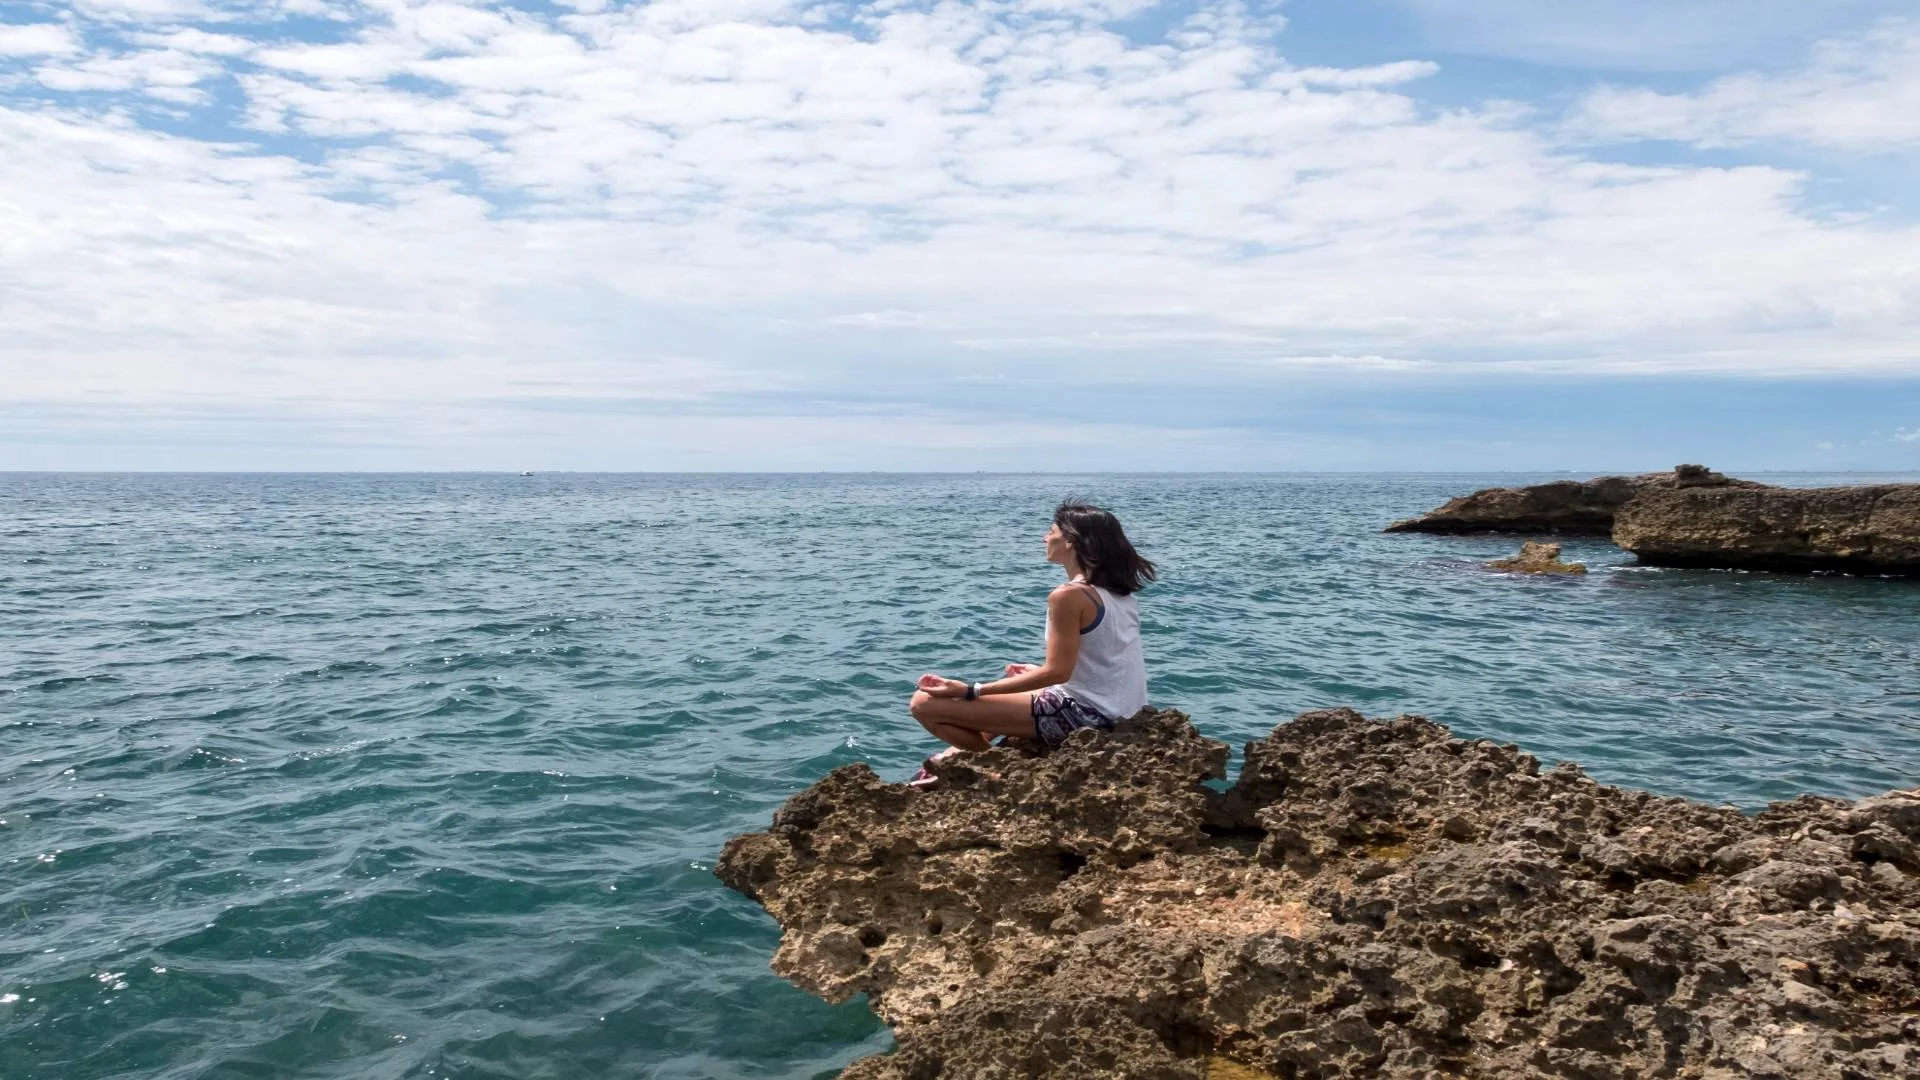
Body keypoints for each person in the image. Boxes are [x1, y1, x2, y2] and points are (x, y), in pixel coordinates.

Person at [907, 501, 1154, 780]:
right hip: (1123, 713)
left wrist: (971, 690)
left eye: (1051, 532)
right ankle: (958, 753)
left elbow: (1059, 671)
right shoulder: (1118, 594)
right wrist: (1040, 674)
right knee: (1002, 700)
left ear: (1071, 542)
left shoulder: (1069, 596)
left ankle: (997, 770)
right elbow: (1105, 664)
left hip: (1089, 718)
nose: (1044, 538)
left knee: (923, 704)